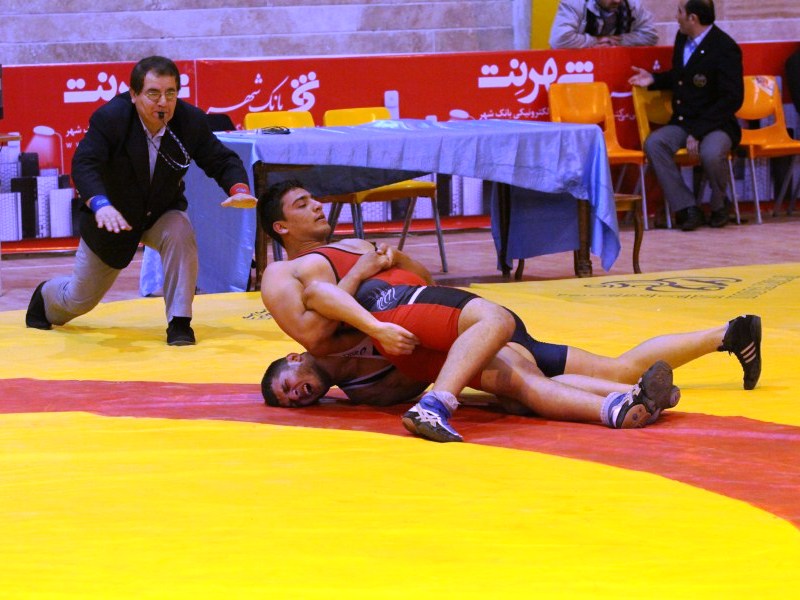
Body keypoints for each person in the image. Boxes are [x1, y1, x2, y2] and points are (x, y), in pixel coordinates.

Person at [258, 180, 761, 440]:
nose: (317, 206)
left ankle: (726, 336)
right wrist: (370, 308)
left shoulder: (346, 248)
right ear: (280, 227)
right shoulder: (285, 275)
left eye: (312, 200)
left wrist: (391, 260)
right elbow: (319, 328)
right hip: (422, 327)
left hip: (435, 317)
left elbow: (421, 280)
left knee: (594, 371)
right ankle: (621, 404)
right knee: (521, 380)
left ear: (290, 360)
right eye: (302, 205)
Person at [25, 56, 257, 345]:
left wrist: (238, 188)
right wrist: (100, 204)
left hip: (161, 211)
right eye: (153, 94)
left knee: (181, 232)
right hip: (113, 217)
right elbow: (85, 164)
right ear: (134, 94)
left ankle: (180, 323)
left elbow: (221, 159)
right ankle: (46, 295)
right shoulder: (111, 118)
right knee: (78, 299)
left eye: (170, 93)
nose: (164, 102)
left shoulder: (190, 120)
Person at [629, 0, 743, 231]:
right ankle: (687, 207)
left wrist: (698, 132)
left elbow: (732, 99)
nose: (676, 16)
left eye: (680, 11)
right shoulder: (682, 39)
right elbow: (683, 76)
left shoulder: (725, 48)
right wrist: (654, 79)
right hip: (684, 122)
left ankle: (720, 205)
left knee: (711, 153)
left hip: (717, 124)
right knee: (655, 144)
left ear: (693, 18)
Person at [549, 0, 658, 49]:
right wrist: (595, 41)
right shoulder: (575, 2)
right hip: (579, 67)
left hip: (616, 65)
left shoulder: (632, 4)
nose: (617, 1)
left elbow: (650, 36)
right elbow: (559, 40)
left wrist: (614, 41)